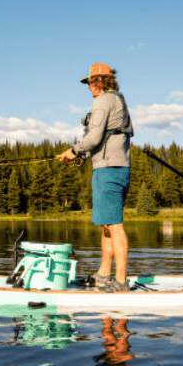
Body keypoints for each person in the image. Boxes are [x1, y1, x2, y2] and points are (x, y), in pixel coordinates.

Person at [56, 63, 134, 293]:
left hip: (109, 168)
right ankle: (102, 275)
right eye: (88, 83)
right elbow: (105, 137)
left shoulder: (102, 100)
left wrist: (75, 151)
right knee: (106, 226)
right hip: (112, 166)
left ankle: (120, 281)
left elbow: (94, 136)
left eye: (91, 82)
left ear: (101, 80)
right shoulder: (117, 99)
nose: (89, 86)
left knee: (115, 225)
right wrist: (83, 154)